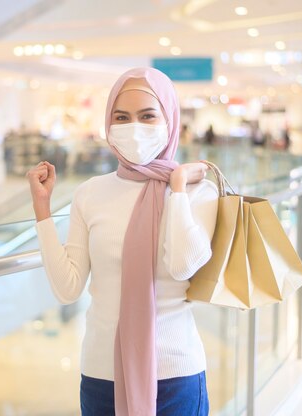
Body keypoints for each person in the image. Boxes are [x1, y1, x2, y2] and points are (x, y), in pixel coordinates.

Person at [27, 67, 218, 415]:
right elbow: (68, 288)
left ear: (169, 120)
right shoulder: (91, 194)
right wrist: (42, 209)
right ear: (108, 124)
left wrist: (175, 186)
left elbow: (182, 265)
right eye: (122, 117)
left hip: (176, 373)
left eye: (147, 116)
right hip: (102, 375)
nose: (134, 127)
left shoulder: (197, 191)